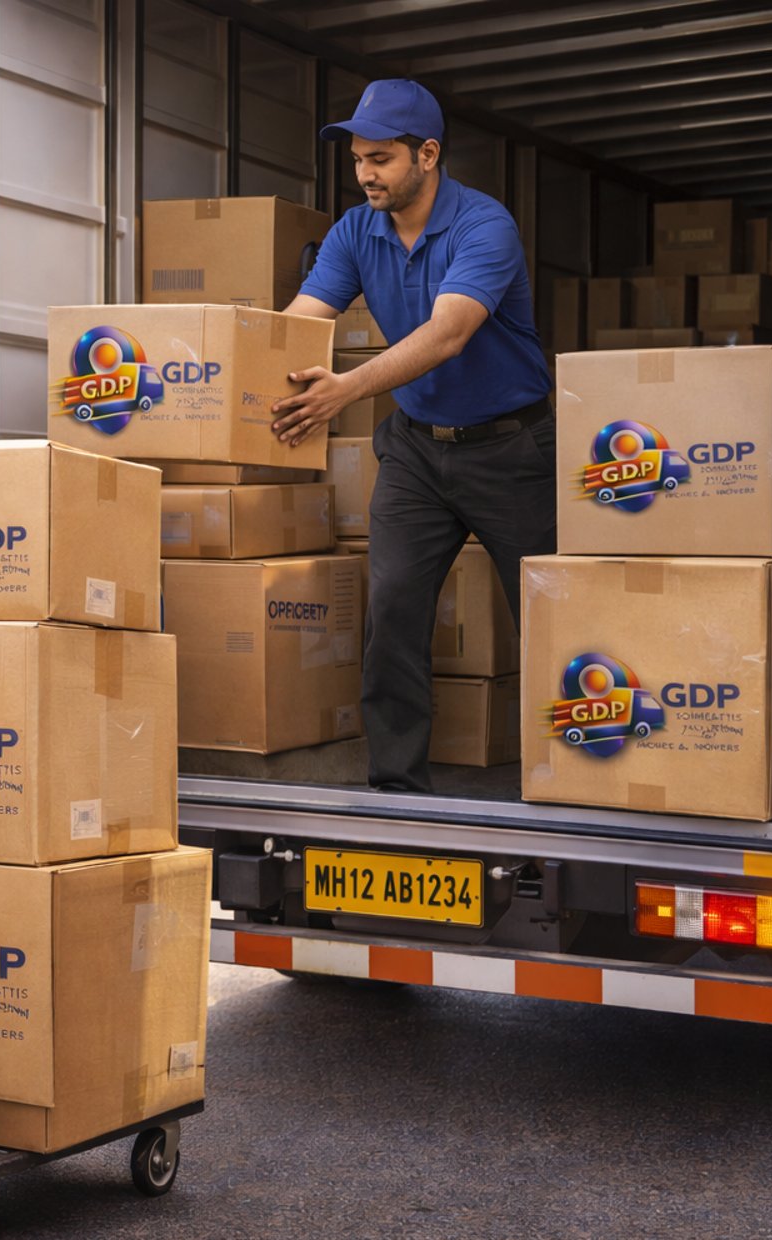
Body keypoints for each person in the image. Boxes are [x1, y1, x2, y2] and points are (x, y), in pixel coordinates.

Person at [270, 80, 555, 793]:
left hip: (512, 450)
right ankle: (397, 789)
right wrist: (223, 358)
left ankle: (568, 784)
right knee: (392, 608)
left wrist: (344, 389)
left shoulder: (483, 226)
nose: (365, 173)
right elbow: (301, 320)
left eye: (381, 159)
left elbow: (449, 332)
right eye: (358, 160)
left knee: (551, 618)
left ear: (427, 155)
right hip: (417, 451)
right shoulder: (354, 231)